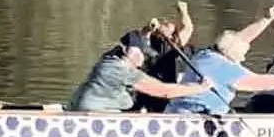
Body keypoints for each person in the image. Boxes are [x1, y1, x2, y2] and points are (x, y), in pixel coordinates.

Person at [166, 5, 274, 114]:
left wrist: (266, 19)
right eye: (243, 53)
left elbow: (240, 39)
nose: (244, 57)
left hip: (176, 111)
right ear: (232, 52)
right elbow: (262, 83)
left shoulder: (207, 54)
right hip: (194, 120)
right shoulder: (224, 67)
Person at [66, 30, 218, 112]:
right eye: (139, 52)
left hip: (84, 109)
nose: (142, 57)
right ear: (126, 51)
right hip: (95, 116)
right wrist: (200, 88)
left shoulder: (108, 59)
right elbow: (164, 91)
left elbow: (135, 36)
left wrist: (148, 30)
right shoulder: (121, 70)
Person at [130, 2, 194, 112]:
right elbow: (143, 35)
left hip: (166, 90)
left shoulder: (175, 45)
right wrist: (149, 28)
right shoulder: (147, 44)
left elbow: (188, 28)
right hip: (147, 89)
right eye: (163, 24)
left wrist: (183, 10)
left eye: (168, 25)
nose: (165, 25)